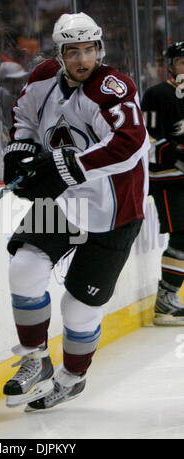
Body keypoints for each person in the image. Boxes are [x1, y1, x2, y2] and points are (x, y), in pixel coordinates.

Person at [2, 12, 150, 411]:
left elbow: (130, 142)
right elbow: (24, 120)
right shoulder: (42, 80)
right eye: (74, 51)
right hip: (64, 201)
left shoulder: (112, 87)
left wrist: (68, 167)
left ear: (100, 49)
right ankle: (35, 361)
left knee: (78, 307)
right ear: (60, 54)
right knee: (25, 267)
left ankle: (72, 377)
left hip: (115, 206)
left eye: (90, 49)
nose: (83, 59)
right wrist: (20, 152)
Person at [141, 41, 184, 326]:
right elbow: (147, 141)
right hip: (168, 180)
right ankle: (166, 300)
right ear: (170, 65)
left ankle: (169, 298)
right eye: (183, 62)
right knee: (181, 237)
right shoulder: (157, 95)